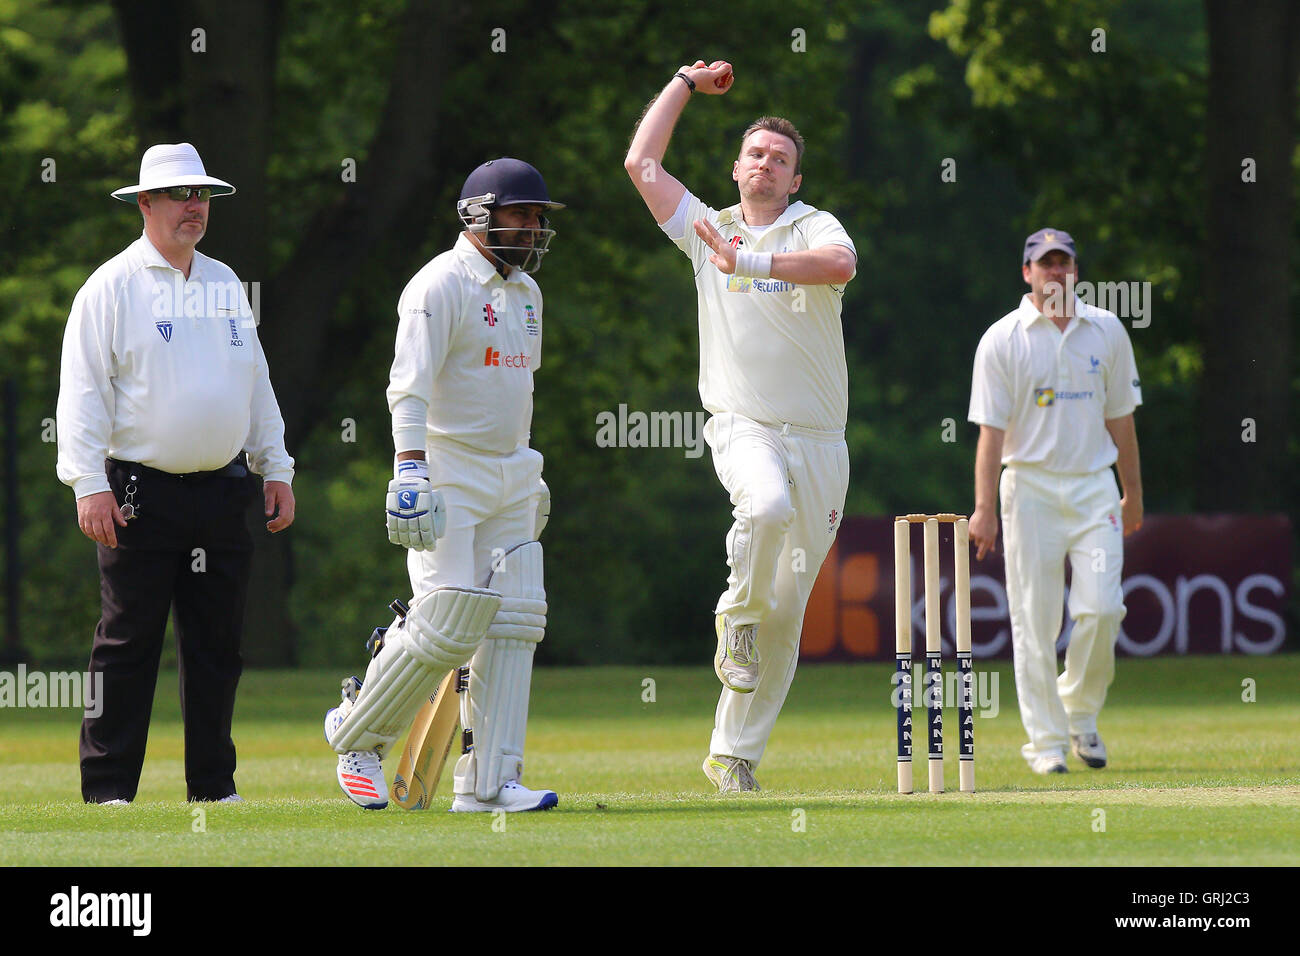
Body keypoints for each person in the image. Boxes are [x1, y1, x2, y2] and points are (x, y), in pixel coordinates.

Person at [625, 61, 857, 793]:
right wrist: (684, 84)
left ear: (794, 181)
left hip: (821, 440)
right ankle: (736, 616)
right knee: (763, 506)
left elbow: (840, 266)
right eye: (755, 152)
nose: (766, 163)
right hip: (743, 423)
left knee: (790, 614)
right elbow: (641, 162)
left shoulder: (812, 225)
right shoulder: (705, 227)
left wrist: (751, 262)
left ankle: (734, 756)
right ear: (735, 168)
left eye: (780, 159)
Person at [56, 142, 296, 804]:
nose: (195, 207)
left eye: (203, 196)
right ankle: (108, 791)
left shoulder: (223, 283)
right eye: (181, 195)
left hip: (221, 490)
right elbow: (81, 394)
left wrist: (274, 465)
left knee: (218, 646)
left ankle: (213, 788)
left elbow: (255, 382)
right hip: (138, 492)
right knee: (127, 645)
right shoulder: (110, 287)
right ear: (146, 203)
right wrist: (88, 484)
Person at [325, 158, 561, 813]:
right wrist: (409, 469)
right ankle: (356, 734)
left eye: (539, 217)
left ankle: (489, 783)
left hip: (512, 470)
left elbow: (515, 388)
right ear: (478, 216)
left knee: (515, 621)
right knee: (449, 621)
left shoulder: (527, 295)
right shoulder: (439, 285)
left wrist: (526, 469)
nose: (534, 227)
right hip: (448, 469)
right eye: (522, 215)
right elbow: (409, 387)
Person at [968, 228, 1144, 774]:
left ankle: (1080, 715)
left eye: (1064, 262)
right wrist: (984, 508)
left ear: (1075, 270)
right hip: (1029, 487)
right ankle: (1044, 742)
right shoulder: (1003, 338)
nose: (1055, 273)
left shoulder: (1107, 330)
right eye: (1045, 264)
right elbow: (990, 434)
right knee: (1034, 618)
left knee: (1102, 608)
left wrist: (1133, 491)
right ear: (1028, 273)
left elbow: (1122, 419)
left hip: (1094, 487)